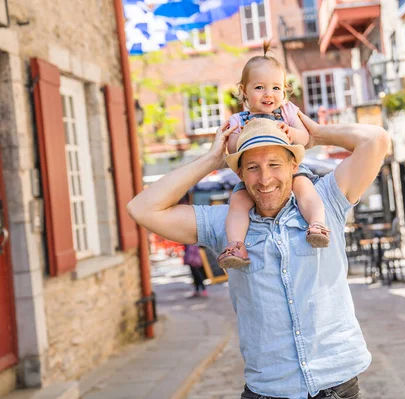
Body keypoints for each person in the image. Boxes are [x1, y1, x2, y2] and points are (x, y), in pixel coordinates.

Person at [127, 108, 390, 398]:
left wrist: (315, 134)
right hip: (269, 389)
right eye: (252, 167)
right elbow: (142, 209)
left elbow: (375, 139)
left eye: (275, 164)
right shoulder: (225, 224)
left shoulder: (326, 200)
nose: (264, 179)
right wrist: (212, 160)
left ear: (293, 164)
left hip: (336, 383)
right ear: (239, 172)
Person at [218, 41, 329, 270]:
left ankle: (317, 224)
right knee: (238, 202)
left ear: (285, 91)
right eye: (259, 88)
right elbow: (231, 147)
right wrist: (241, 134)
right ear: (244, 91)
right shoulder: (240, 120)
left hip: (289, 169)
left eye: (276, 88)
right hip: (254, 172)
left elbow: (305, 139)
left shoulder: (287, 112)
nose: (269, 94)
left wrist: (292, 132)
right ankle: (236, 245)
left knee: (306, 190)